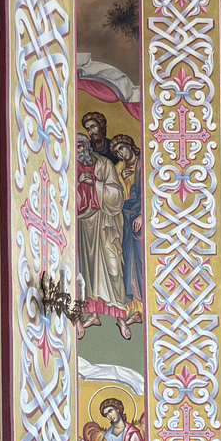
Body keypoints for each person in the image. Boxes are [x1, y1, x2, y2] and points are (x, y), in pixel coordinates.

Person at [77, 114, 129, 338]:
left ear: (88, 147)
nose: (79, 150)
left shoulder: (104, 164)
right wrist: (79, 184)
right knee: (87, 273)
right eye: (76, 147)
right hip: (84, 225)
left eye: (82, 145)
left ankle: (120, 316)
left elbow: (117, 195)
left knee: (113, 267)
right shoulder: (73, 169)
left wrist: (96, 184)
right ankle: (91, 314)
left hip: (106, 223)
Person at [112, 133, 145, 321]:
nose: (121, 154)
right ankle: (134, 310)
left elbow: (151, 191)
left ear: (130, 145)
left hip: (139, 218)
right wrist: (120, 180)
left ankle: (143, 306)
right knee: (128, 261)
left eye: (122, 148)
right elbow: (117, 196)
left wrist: (142, 214)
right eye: (117, 152)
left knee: (140, 262)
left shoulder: (143, 163)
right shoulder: (119, 168)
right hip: (126, 219)